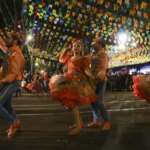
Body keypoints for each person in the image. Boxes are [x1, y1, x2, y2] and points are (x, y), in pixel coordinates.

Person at [49, 38, 95, 135]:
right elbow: (61, 59)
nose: (76, 48)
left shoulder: (83, 59)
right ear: (72, 47)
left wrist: (92, 76)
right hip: (68, 80)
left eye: (78, 46)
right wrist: (66, 49)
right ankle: (79, 123)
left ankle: (79, 125)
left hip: (77, 82)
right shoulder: (69, 57)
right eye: (74, 46)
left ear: (81, 48)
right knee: (67, 101)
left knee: (71, 103)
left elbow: (86, 70)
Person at [0, 32, 25, 139]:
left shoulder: (16, 54)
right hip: (9, 81)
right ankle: (16, 123)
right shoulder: (12, 51)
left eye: (9, 38)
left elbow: (13, 74)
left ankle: (14, 122)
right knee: (7, 106)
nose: (6, 39)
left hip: (12, 82)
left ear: (14, 41)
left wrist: (2, 81)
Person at [87, 37, 111, 130]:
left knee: (99, 102)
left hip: (100, 80)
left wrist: (102, 72)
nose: (92, 43)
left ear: (100, 44)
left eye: (94, 42)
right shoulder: (94, 53)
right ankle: (96, 121)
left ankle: (107, 121)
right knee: (92, 102)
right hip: (93, 80)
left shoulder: (103, 54)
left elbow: (104, 66)